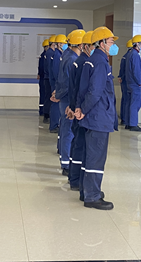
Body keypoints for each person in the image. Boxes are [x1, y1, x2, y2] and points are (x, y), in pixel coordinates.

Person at [75, 26, 119, 211]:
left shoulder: (92, 60)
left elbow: (83, 88)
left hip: (92, 115)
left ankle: (86, 191)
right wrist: (84, 109)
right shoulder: (100, 62)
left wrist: (80, 108)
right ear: (101, 43)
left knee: (89, 155)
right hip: (98, 116)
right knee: (96, 157)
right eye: (111, 42)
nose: (113, 45)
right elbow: (95, 91)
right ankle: (92, 196)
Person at [54, 29, 85, 175]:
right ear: (80, 45)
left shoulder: (66, 55)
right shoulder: (73, 59)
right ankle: (66, 163)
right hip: (68, 99)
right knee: (68, 131)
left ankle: (64, 157)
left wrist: (57, 93)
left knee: (65, 129)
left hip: (64, 97)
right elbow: (69, 83)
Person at [68, 30, 94, 193]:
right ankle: (76, 179)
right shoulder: (84, 63)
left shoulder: (79, 61)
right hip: (81, 111)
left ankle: (74, 177)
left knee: (77, 143)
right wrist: (77, 108)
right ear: (85, 46)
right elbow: (81, 90)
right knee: (80, 145)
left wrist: (71, 106)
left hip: (76, 108)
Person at [126, 35, 141, 132]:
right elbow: (136, 71)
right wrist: (140, 83)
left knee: (130, 103)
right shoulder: (135, 55)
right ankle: (133, 124)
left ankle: (128, 123)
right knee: (135, 104)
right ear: (137, 44)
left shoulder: (130, 54)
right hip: (135, 84)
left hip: (130, 83)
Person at [50, 34, 67, 134]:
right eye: (63, 43)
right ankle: (54, 125)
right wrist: (57, 87)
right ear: (59, 44)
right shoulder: (57, 55)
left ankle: (55, 124)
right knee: (56, 104)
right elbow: (57, 72)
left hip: (58, 83)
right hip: (57, 84)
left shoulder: (60, 54)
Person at [118, 39, 133, 126]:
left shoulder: (125, 56)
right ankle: (125, 119)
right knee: (127, 100)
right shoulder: (129, 57)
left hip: (124, 80)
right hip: (126, 81)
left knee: (124, 99)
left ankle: (124, 118)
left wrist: (120, 76)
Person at [43, 36, 57, 125]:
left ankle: (47, 115)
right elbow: (51, 68)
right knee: (50, 97)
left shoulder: (50, 52)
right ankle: (47, 115)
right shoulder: (51, 53)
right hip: (49, 78)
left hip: (48, 77)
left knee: (48, 97)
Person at [38, 39, 49, 117]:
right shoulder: (45, 56)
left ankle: (43, 110)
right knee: (44, 94)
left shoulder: (43, 55)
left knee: (44, 94)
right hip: (44, 78)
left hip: (43, 77)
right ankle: (42, 110)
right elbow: (42, 67)